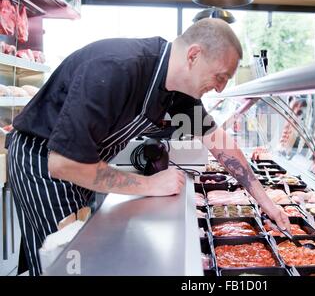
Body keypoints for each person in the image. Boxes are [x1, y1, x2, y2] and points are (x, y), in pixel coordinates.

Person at [7, 18, 290, 276]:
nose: (218, 89)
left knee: (81, 252)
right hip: (42, 164)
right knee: (65, 263)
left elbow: (219, 144)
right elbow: (64, 164)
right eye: (220, 77)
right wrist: (149, 185)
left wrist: (267, 203)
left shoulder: (177, 92)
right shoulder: (117, 67)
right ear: (193, 56)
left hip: (81, 165)